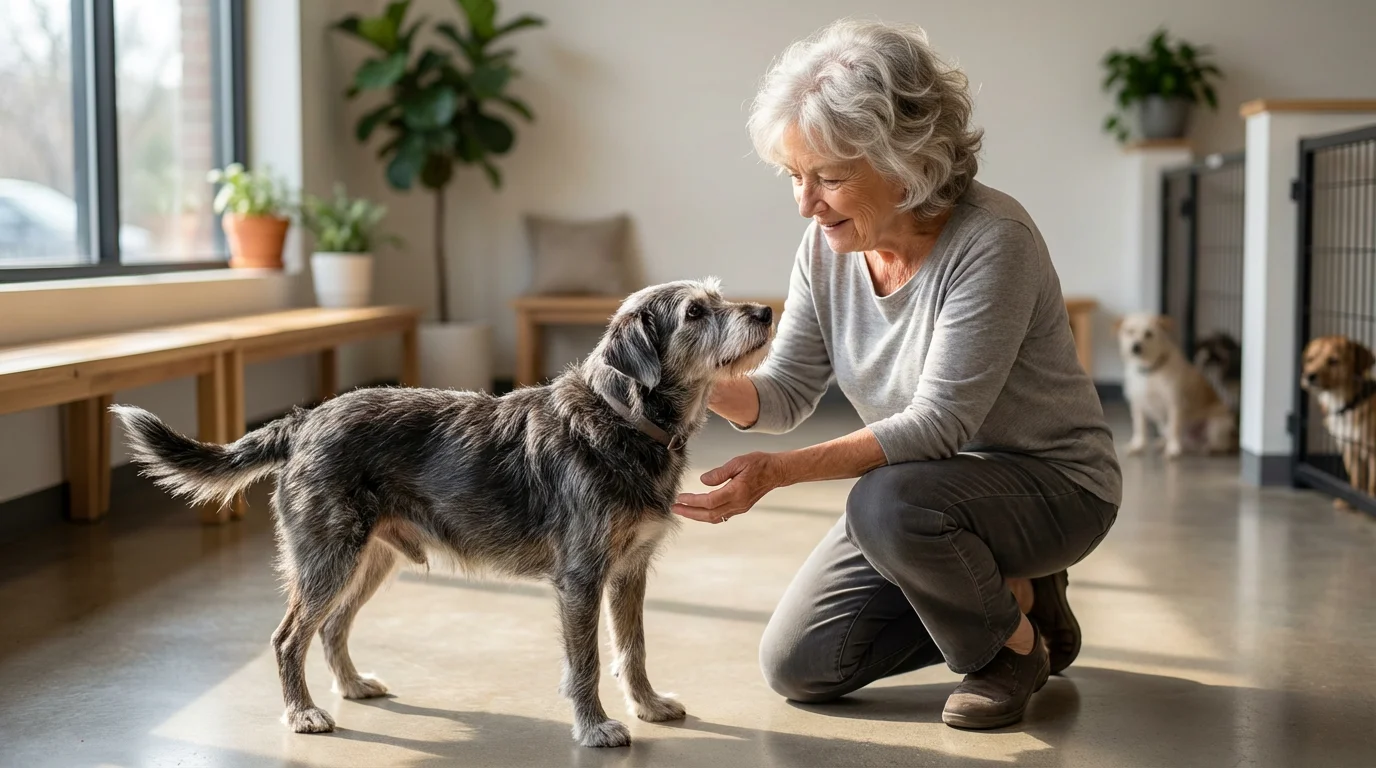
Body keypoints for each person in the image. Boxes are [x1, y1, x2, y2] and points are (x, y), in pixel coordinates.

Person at [671, 19, 1122, 730]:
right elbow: (786, 391)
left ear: (908, 162)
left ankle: (1011, 653)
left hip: (1052, 487)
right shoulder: (826, 247)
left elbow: (938, 426)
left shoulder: (993, 240)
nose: (805, 201)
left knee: (884, 502)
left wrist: (778, 473)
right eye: (795, 176)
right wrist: (690, 379)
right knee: (801, 666)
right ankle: (1022, 599)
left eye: (829, 177)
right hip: (925, 498)